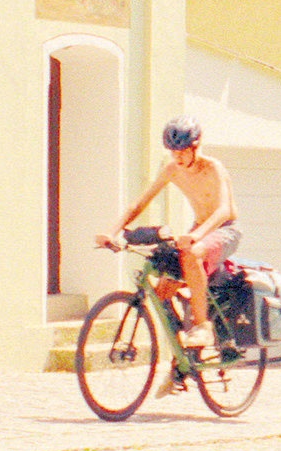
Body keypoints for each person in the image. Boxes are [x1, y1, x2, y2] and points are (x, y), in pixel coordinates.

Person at [95, 116, 241, 351]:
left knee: (191, 254)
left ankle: (203, 327)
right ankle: (183, 352)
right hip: (198, 230)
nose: (178, 157)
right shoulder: (172, 170)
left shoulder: (213, 168)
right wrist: (111, 232)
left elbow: (224, 210)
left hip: (225, 229)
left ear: (195, 147)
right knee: (163, 289)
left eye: (183, 151)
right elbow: (139, 204)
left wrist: (196, 236)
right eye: (173, 152)